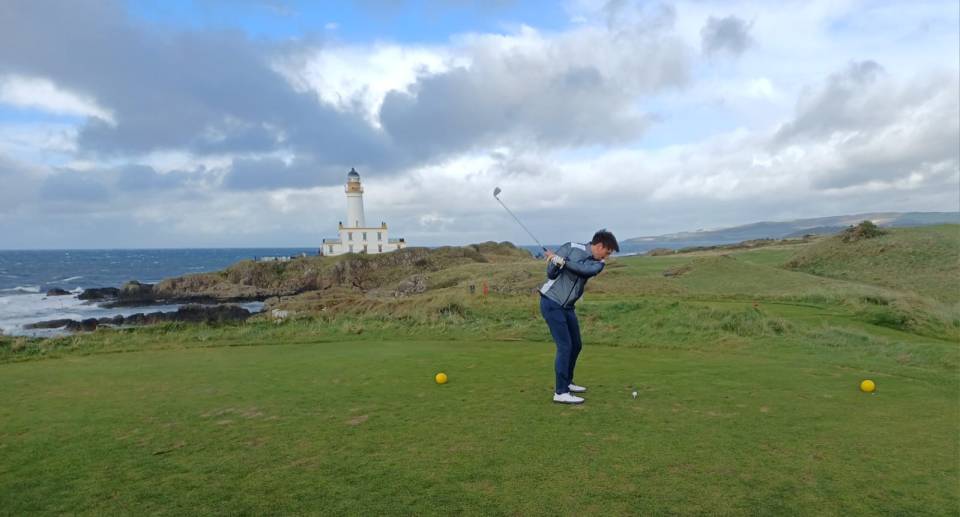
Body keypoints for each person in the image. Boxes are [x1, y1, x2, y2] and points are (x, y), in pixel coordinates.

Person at [540, 229, 619, 404]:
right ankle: (560, 392)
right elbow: (551, 273)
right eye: (607, 252)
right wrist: (555, 262)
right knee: (565, 346)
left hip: (567, 307)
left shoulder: (599, 263)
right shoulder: (570, 247)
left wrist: (564, 262)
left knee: (576, 345)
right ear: (599, 246)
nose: (607, 256)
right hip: (551, 302)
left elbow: (583, 271)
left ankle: (567, 382)